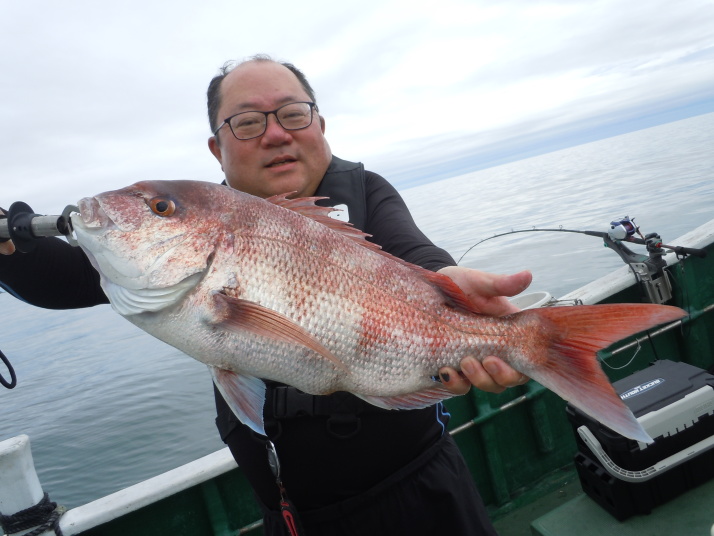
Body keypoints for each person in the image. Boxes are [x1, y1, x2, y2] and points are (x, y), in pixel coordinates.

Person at [1, 55, 531, 535]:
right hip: (288, 517)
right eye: (248, 122)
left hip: (421, 497)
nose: (276, 134)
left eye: (293, 114)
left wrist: (453, 288)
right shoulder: (187, 229)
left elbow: (416, 255)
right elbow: (60, 279)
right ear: (218, 148)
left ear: (320, 125)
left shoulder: (366, 191)